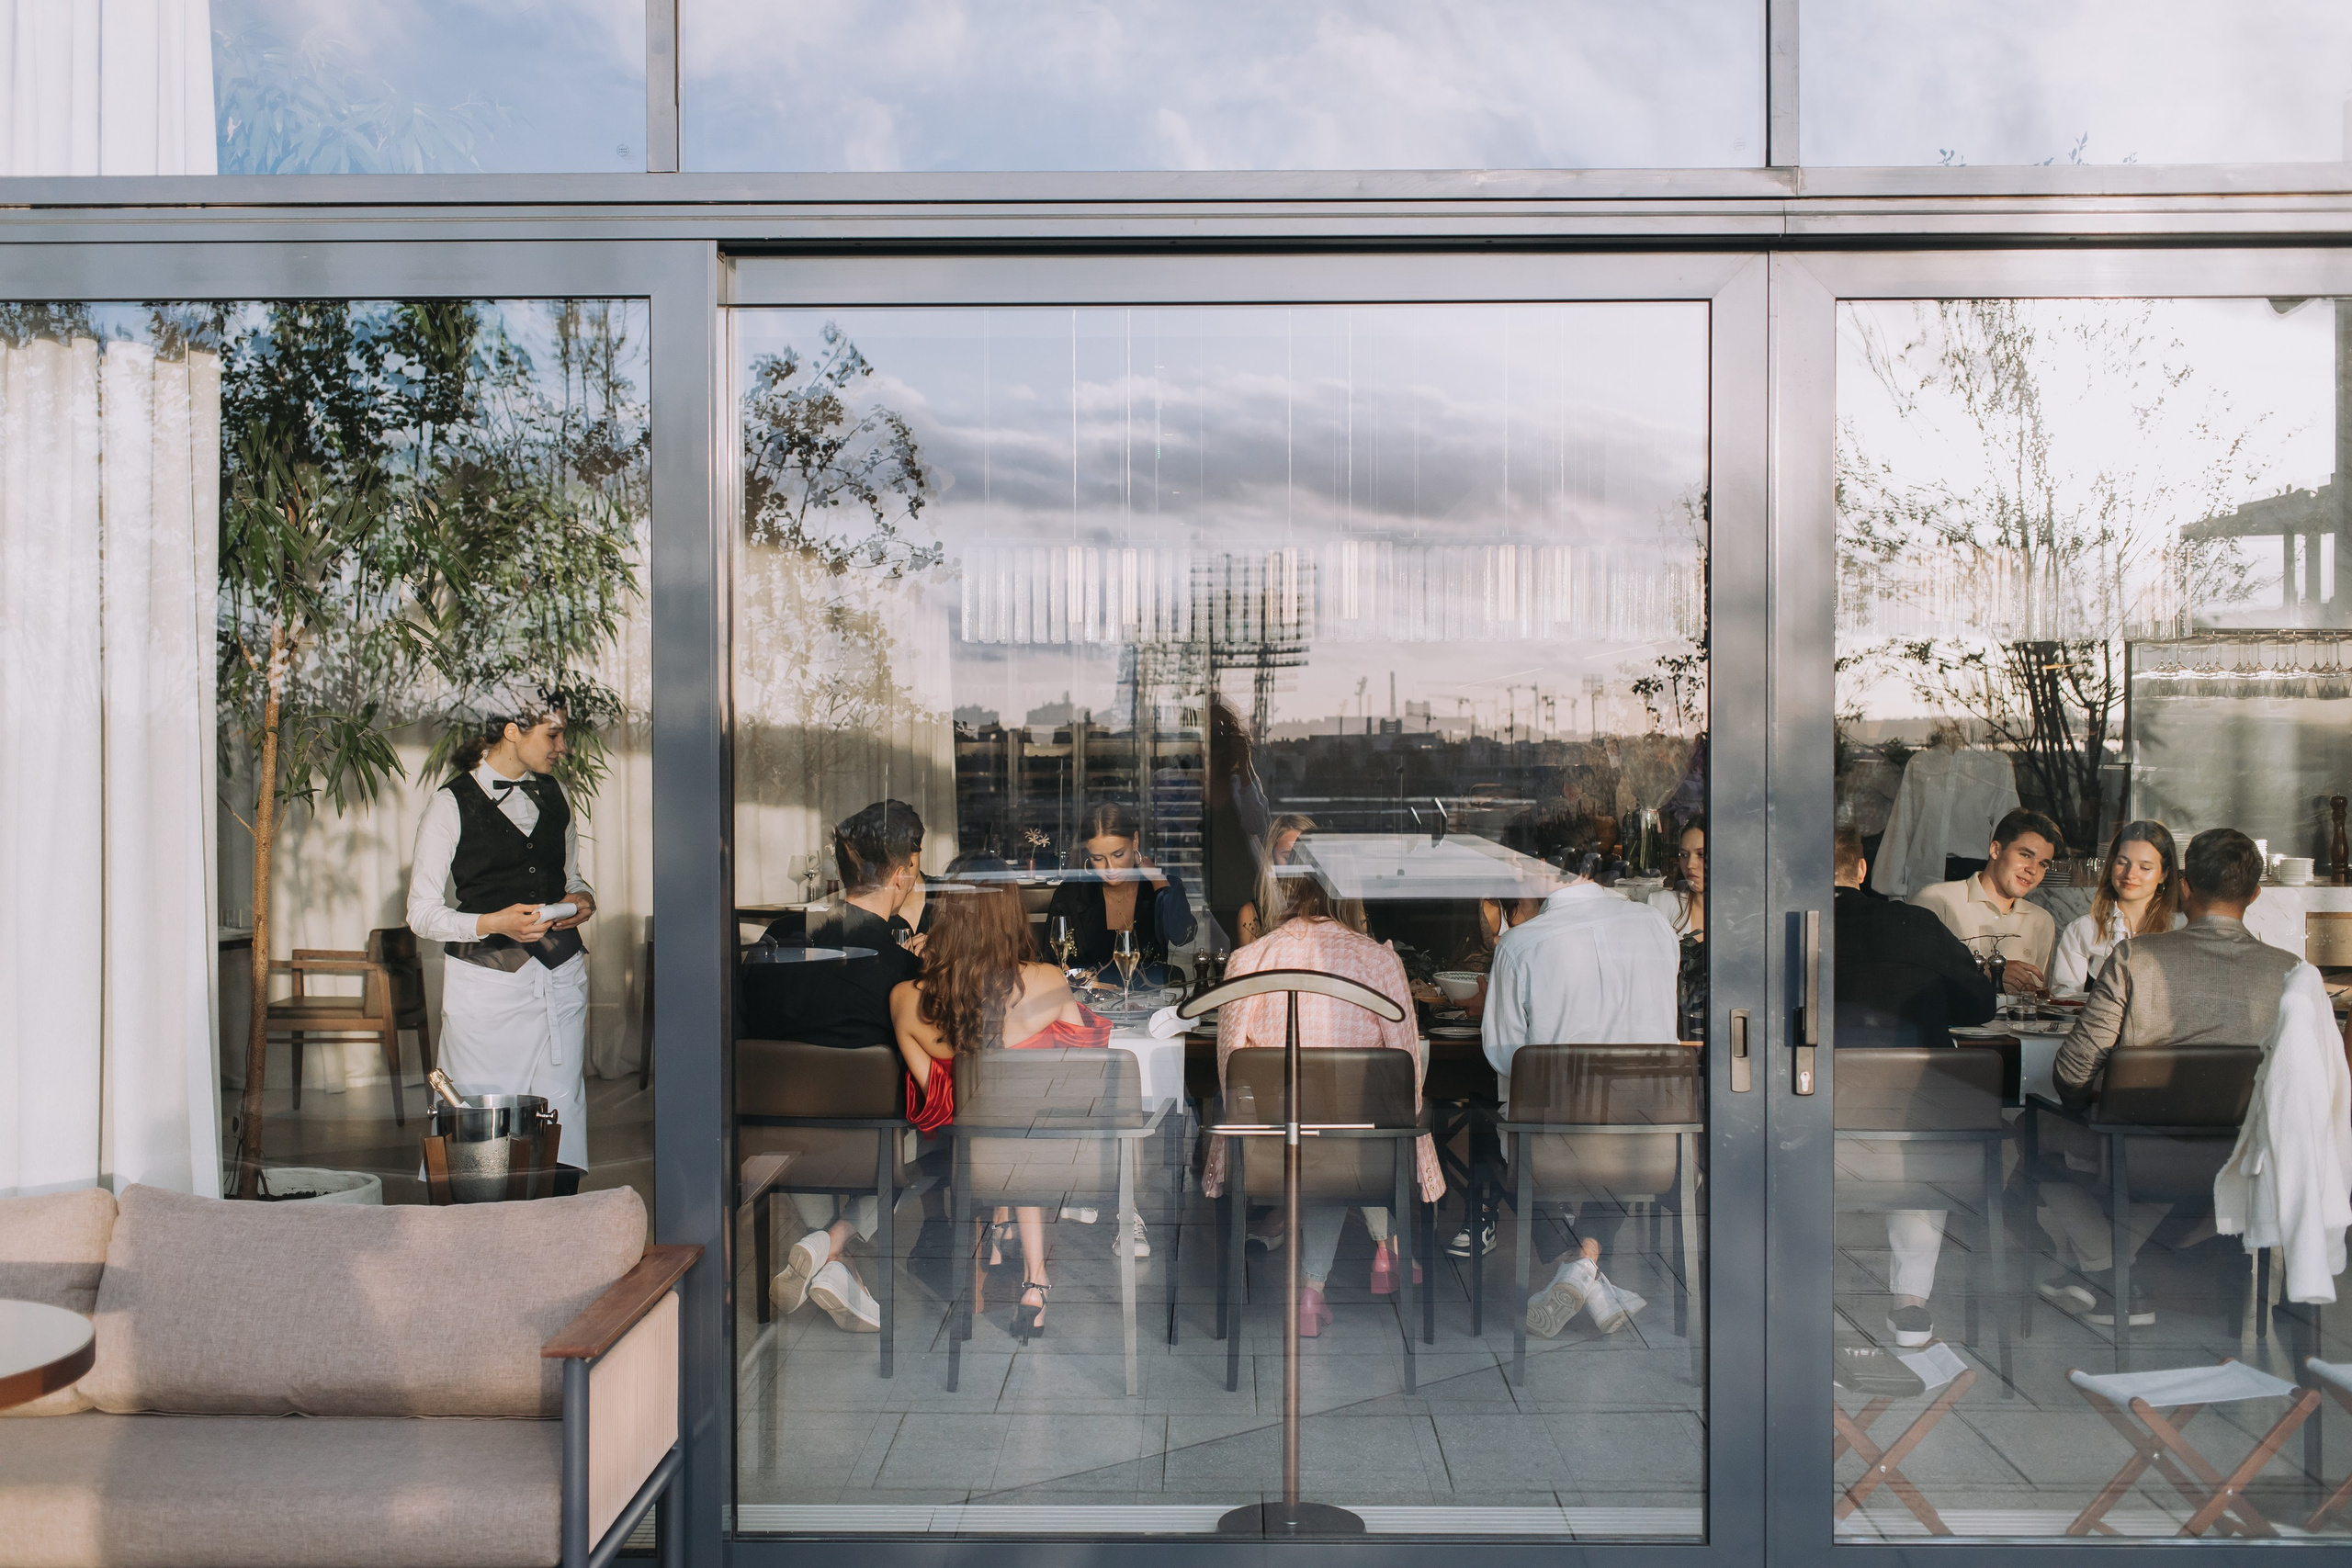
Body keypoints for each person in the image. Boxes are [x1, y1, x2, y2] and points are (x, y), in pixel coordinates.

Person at [2037, 828, 2300, 1327]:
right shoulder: (2290, 972)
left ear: (2183, 886)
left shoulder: (2138, 959)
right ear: (2256, 894)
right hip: (2244, 1161)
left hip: (2139, 1153)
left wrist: (2078, 1100)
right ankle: (2112, 1271)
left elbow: (2071, 1074)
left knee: (2031, 1137)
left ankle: (2105, 1270)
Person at [1202, 866, 1441, 1336]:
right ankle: (1333, 1280)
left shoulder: (1249, 960)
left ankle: (1313, 1292)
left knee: (1310, 1136)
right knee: (1338, 1138)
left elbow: (1230, 1070)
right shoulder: (1379, 962)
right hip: (1361, 1155)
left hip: (1272, 1154)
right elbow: (1408, 1072)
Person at [891, 854, 1113, 1337]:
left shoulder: (907, 998)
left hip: (965, 1158)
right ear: (1011, 912)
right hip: (1039, 1155)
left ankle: (985, 1251)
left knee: (990, 1129)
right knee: (1023, 1124)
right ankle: (1035, 1280)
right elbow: (1084, 1074)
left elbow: (940, 1105)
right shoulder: (1048, 982)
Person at [1483, 858, 1679, 1332]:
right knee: (1620, 1123)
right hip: (1648, 1146)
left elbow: (1505, 1054)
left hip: (1554, 1149)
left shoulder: (1519, 945)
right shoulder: (1655, 925)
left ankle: (1574, 1268)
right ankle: (1590, 1271)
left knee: (1495, 1133)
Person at [751, 801, 926, 1334]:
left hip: (770, 1142)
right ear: (906, 870)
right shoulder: (898, 968)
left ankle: (826, 1255)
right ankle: (834, 1243)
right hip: (865, 1150)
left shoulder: (776, 937)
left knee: (808, 1115)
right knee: (932, 1130)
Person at [406, 692, 597, 1179]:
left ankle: (558, 1232)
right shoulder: (450, 804)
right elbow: (421, 913)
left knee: (562, 1113)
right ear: (513, 729)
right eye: (553, 734)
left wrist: (581, 900)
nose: (563, 747)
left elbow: (570, 877)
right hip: (487, 988)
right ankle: (476, 1239)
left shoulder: (556, 795)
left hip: (560, 975)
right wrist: (493, 923)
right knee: (476, 1122)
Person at [1832, 826, 1997, 1347]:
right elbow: (1980, 1007)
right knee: (1924, 1130)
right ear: (1861, 870)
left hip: (1815, 1136)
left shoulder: (1785, 928)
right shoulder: (1917, 923)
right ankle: (1910, 1305)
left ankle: (1793, 1295)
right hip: (1913, 1143)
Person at [1907, 807, 2063, 989]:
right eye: (2025, 855)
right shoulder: (1936, 901)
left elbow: (2034, 997)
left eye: (2043, 864)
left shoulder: (2041, 921)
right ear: (1995, 849)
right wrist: (1988, 970)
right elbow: (1910, 976)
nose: (2033, 870)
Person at [1046, 802, 1198, 973]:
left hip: (1152, 998)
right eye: (1097, 858)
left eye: (1118, 854)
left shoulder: (1163, 886)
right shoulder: (1070, 895)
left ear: (1135, 842)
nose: (1110, 868)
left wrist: (1157, 879)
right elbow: (1052, 963)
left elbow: (1183, 936)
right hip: (1087, 998)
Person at [2049, 819, 2184, 994]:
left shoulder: (2181, 928)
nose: (2130, 874)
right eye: (2122, 862)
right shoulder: (2083, 930)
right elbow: (2064, 998)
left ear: (2163, 874)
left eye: (2144, 867)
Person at [1648, 816, 1707, 1043]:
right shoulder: (1662, 907)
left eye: (1701, 855)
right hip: (1675, 1036)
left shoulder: (1745, 916)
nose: (1690, 864)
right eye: (1684, 855)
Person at [1234, 812, 1317, 947]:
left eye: (1305, 857)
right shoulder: (1252, 914)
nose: (1297, 866)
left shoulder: (1333, 908)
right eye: (1289, 857)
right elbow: (1249, 966)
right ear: (1271, 858)